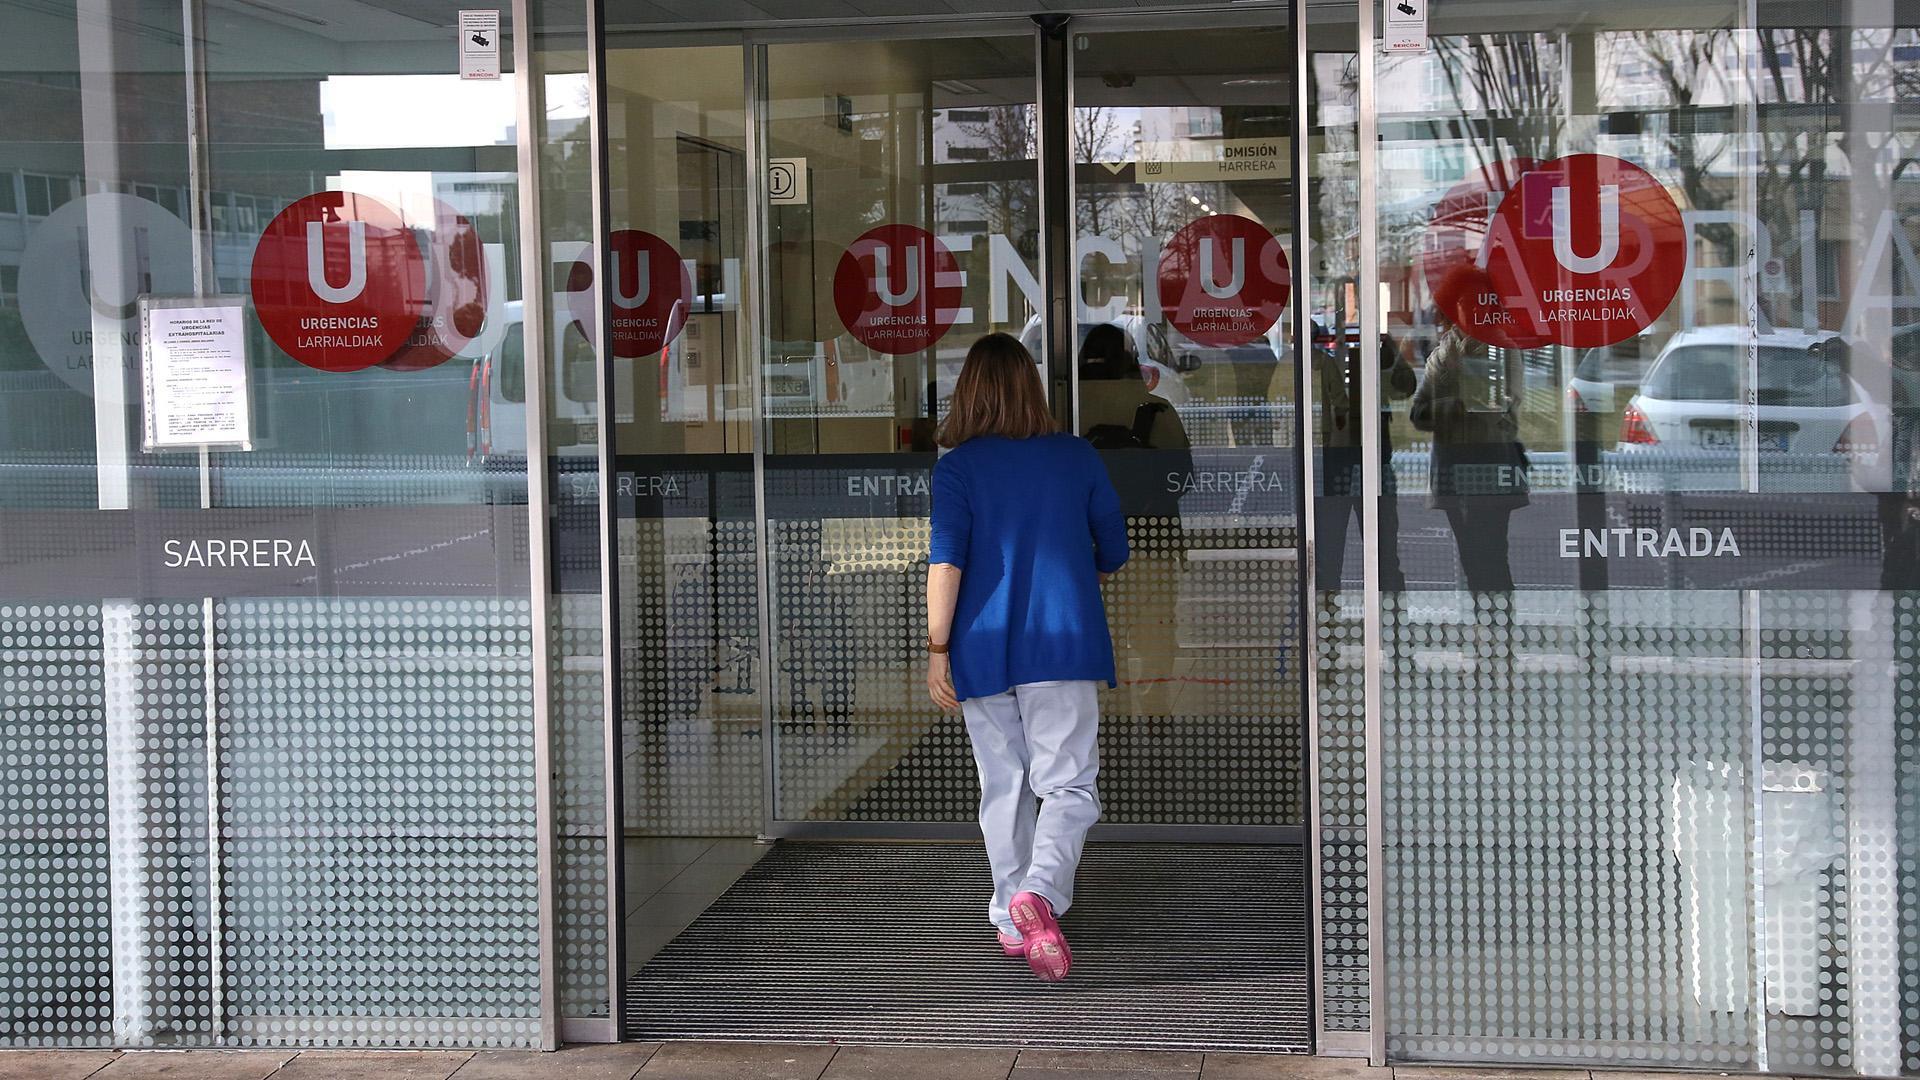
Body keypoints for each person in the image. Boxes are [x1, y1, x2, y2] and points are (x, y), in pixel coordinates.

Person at [925, 331, 1130, 983]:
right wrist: (1076, 580)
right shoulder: (1076, 457)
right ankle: (1038, 893)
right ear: (1032, 388)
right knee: (1067, 782)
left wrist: (936, 649)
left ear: (969, 393)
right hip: (1062, 642)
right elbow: (1114, 548)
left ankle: (1011, 919)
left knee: (1004, 785)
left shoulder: (956, 468)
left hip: (981, 646)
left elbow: (946, 563)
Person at [1411, 275, 1530, 593]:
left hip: (1489, 469)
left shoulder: (1503, 348)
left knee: (1491, 556)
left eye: (1476, 304)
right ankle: (1484, 629)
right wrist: (1456, 405)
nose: (1470, 312)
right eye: (1463, 305)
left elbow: (1502, 412)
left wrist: (1453, 406)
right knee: (1470, 557)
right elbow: (1419, 412)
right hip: (1453, 468)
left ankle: (1499, 632)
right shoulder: (1445, 351)